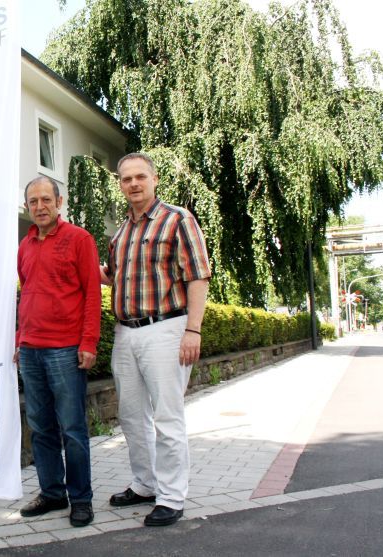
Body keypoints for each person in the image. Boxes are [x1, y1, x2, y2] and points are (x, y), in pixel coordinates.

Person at [103, 153, 211, 527]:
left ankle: (171, 496)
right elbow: (111, 276)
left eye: (140, 177)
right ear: (120, 184)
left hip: (166, 329)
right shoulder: (121, 232)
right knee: (132, 416)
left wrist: (193, 329)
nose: (133, 184)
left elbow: (198, 275)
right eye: (126, 178)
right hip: (125, 333)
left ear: (154, 179)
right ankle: (145, 484)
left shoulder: (177, 219)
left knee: (167, 416)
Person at [15, 175, 101, 527]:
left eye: (46, 200)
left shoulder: (79, 239)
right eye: (33, 201)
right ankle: (52, 492)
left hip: (65, 350)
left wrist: (89, 342)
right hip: (31, 350)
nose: (40, 207)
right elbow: (27, 293)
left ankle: (80, 498)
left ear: (59, 202)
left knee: (72, 428)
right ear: (27, 206)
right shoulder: (24, 245)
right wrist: (19, 338)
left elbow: (92, 293)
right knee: (40, 427)